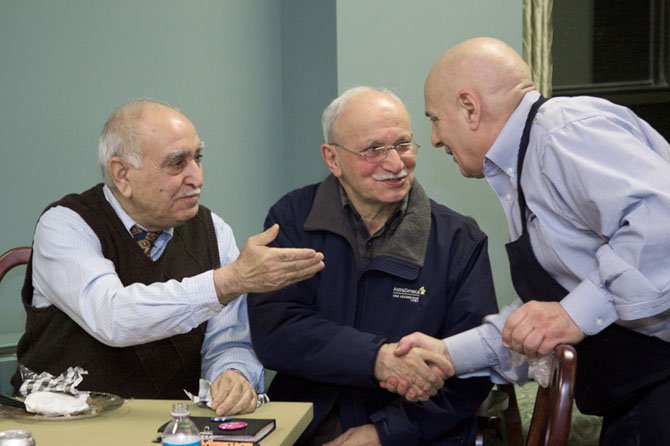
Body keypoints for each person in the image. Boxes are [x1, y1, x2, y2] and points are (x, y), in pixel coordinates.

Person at [384, 37, 670, 445]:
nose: (432, 139)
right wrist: (447, 355)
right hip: (635, 403)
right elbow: (543, 322)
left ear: (469, 107)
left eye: (434, 119)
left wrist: (573, 315)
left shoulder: (564, 133)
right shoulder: (522, 169)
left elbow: (661, 226)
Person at [11, 99, 325, 415]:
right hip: (64, 422)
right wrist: (226, 282)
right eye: (177, 163)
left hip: (169, 425)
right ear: (122, 174)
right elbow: (112, 317)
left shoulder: (213, 230)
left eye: (198, 158)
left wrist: (233, 373)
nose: (197, 177)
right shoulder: (66, 224)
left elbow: (229, 339)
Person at [247, 86, 499, 445]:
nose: (395, 164)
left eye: (403, 145)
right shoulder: (292, 220)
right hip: (307, 424)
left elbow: (472, 366)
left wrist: (384, 433)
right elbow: (275, 330)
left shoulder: (459, 240)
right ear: (332, 159)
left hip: (416, 431)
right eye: (374, 150)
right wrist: (376, 358)